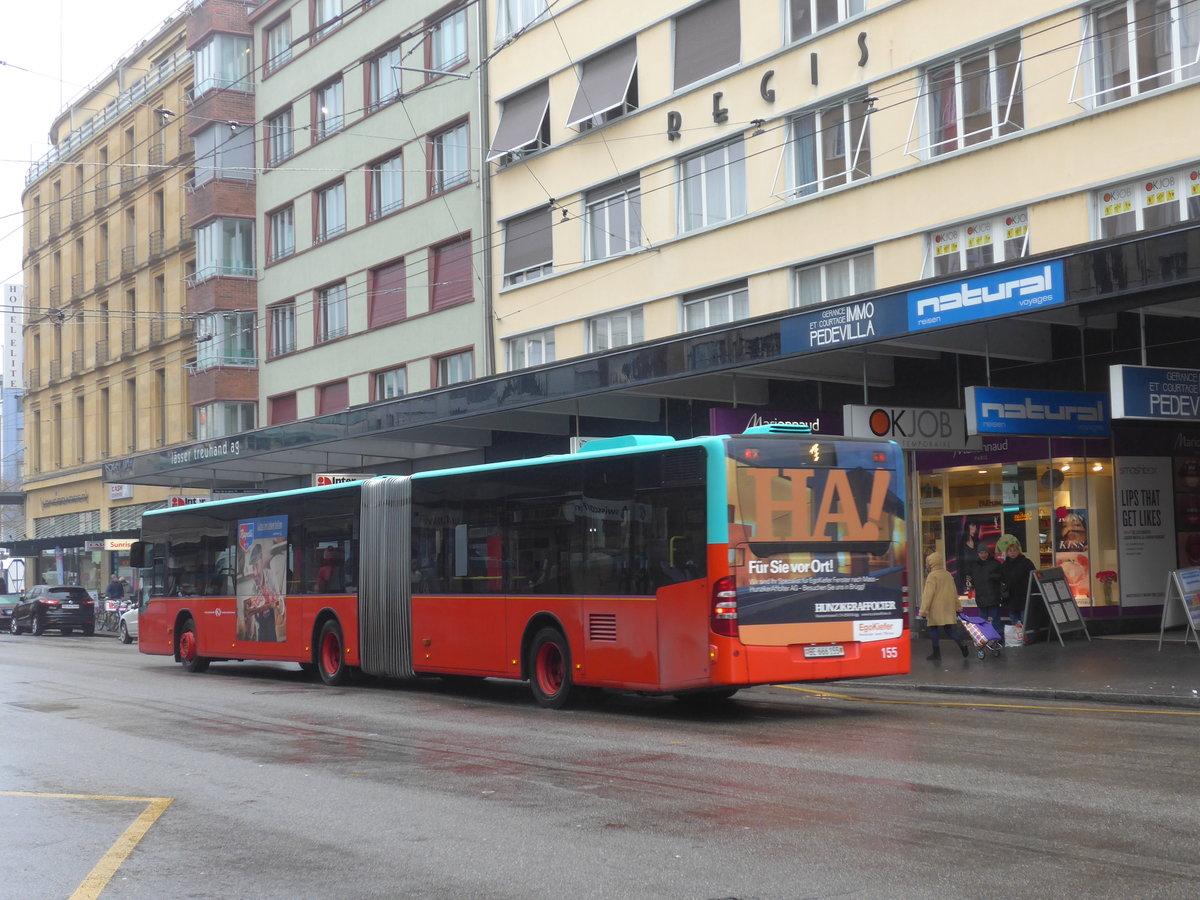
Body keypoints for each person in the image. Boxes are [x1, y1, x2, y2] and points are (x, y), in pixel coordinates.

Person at [917, 551, 969, 662]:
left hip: (935, 609)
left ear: (931, 563)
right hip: (948, 608)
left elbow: (928, 595)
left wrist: (924, 611)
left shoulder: (932, 576)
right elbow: (954, 593)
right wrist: (958, 607)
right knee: (949, 630)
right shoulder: (948, 575)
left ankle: (936, 654)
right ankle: (961, 644)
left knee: (933, 629)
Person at [996, 533, 1036, 624]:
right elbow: (1002, 579)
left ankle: (1024, 633)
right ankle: (1016, 633)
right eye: (1010, 551)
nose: (1012, 553)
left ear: (1018, 551)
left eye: (1014, 550)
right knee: (1014, 620)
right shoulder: (1004, 565)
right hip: (1011, 597)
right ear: (1007, 553)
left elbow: (1033, 575)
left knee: (1024, 619)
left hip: (1023, 596)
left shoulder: (1026, 562)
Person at [971, 544, 1004, 641]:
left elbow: (1002, 577)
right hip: (981, 596)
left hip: (993, 595)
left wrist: (993, 577)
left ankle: (997, 638)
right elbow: (971, 579)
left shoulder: (995, 564)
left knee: (995, 618)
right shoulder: (974, 566)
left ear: (988, 553)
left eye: (985, 552)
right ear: (978, 554)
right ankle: (985, 637)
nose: (983, 555)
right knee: (983, 619)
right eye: (981, 553)